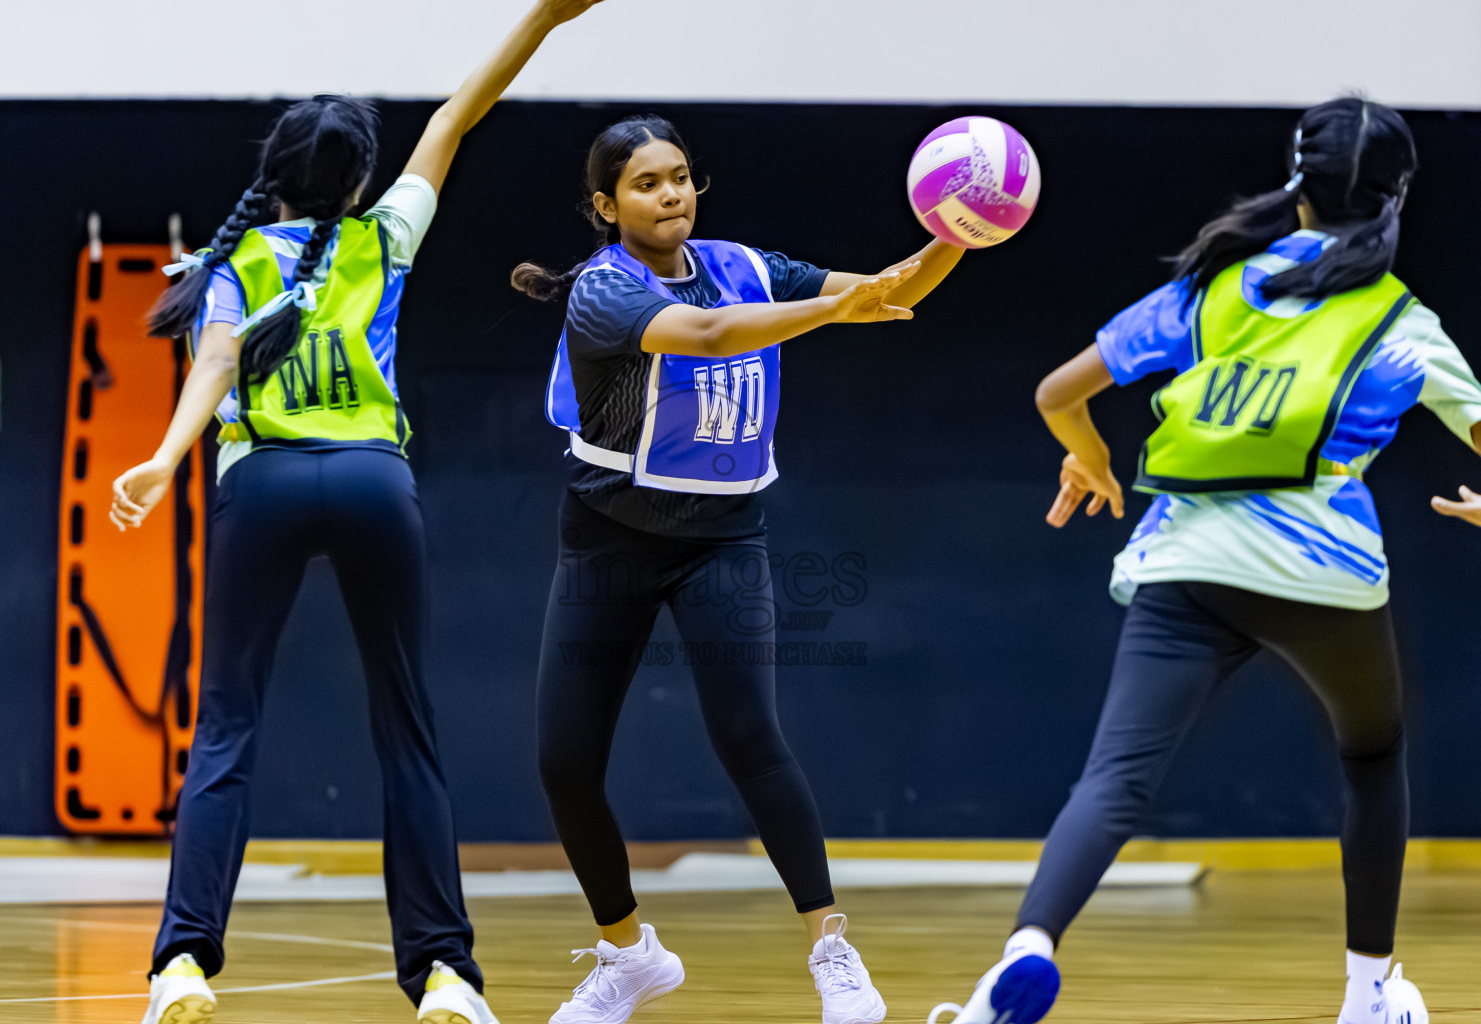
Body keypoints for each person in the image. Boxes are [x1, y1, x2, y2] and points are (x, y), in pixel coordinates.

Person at [928, 97, 1481, 1024]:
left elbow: (1059, 392)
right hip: (1323, 570)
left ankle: (1020, 958)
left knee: (1113, 778)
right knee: (1374, 757)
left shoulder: (1215, 286)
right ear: (1395, 198)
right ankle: (1369, 994)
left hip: (1185, 558)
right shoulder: (1402, 321)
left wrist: (1092, 456)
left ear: (1297, 187)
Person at [109, 4, 606, 1023]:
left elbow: (211, 362)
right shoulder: (385, 235)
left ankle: (181, 967)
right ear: (359, 178)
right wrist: (546, 19)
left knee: (226, 728)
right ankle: (445, 976)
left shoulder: (232, 256)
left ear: (276, 172)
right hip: (376, 481)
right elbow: (460, 114)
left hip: (266, 481)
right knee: (407, 730)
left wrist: (163, 457)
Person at [511, 113, 966, 1024]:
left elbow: (887, 291)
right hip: (608, 539)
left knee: (750, 737)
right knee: (564, 760)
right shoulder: (604, 292)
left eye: (681, 176)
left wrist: (958, 229)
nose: (672, 192)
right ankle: (629, 953)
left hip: (722, 538)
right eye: (647, 183)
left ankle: (833, 951)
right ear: (608, 206)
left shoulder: (745, 263)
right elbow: (715, 336)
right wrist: (841, 307)